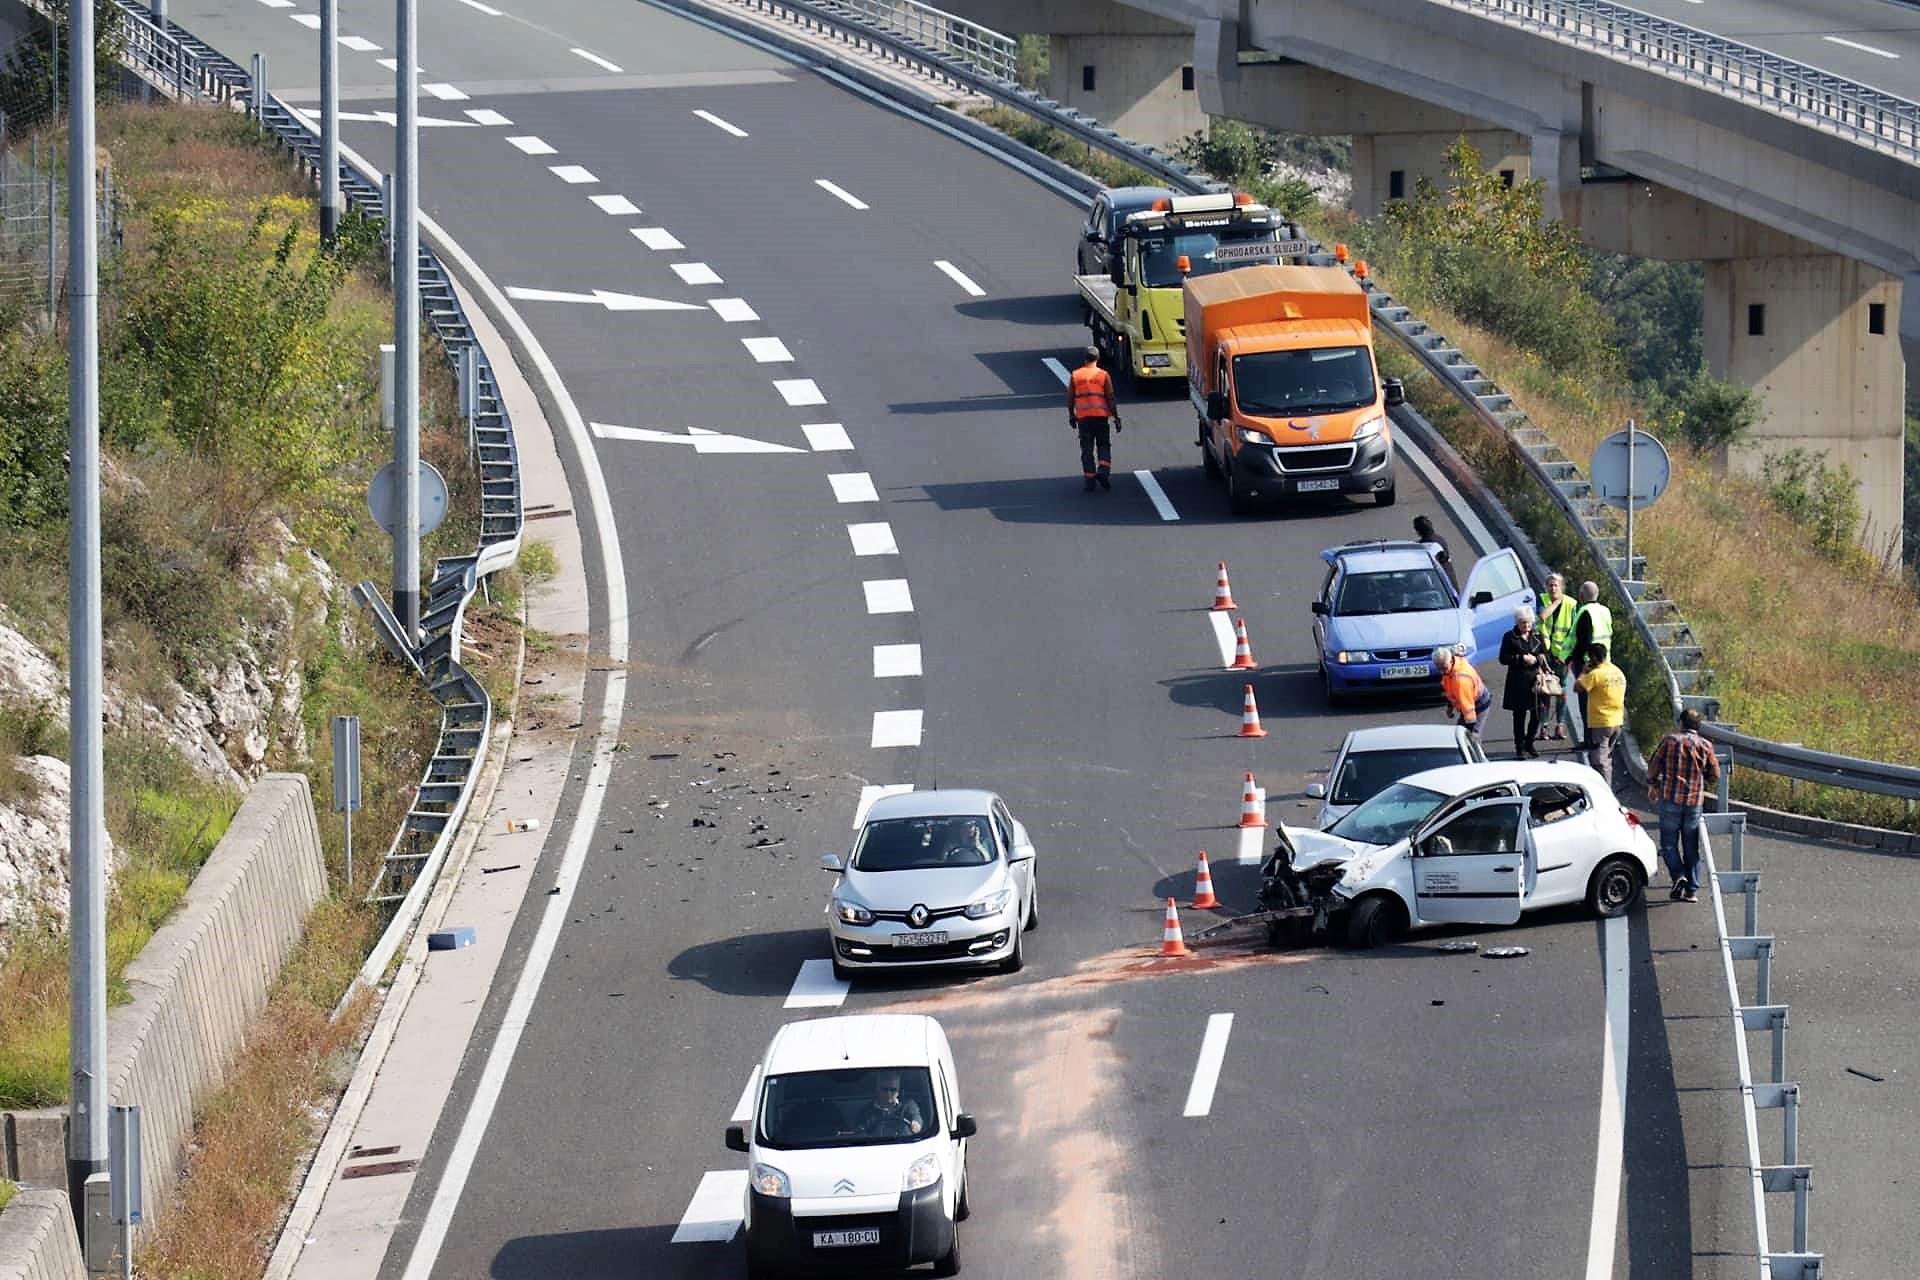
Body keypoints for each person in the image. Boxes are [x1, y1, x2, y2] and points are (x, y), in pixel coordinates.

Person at [1647, 708, 1722, 902]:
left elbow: (1654, 764)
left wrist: (1653, 784)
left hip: (1671, 800)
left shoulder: (1669, 741)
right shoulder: (1706, 745)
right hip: (1694, 803)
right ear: (1698, 726)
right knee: (1691, 847)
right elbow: (1715, 775)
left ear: (1681, 723)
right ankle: (1691, 890)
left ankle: (1679, 875)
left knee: (1668, 844)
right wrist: (1703, 775)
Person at [1067, 345, 1120, 492]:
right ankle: (1103, 470)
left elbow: (1070, 398)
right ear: (1098, 358)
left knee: (1087, 449)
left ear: (1084, 359)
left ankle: (1089, 480)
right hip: (1101, 417)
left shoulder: (1076, 375)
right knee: (1103, 445)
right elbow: (1110, 398)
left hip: (1083, 419)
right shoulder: (1103, 375)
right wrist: (1116, 417)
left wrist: (1071, 415)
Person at [1497, 605, 1548, 758]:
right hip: (1518, 681)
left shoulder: (1537, 636)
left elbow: (1546, 655)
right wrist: (1521, 658)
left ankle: (1529, 742)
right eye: (1523, 623)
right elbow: (1503, 658)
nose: (1526, 626)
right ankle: (1519, 747)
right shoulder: (1509, 637)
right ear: (1517, 622)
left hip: (1536, 681)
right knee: (1519, 716)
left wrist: (1536, 659)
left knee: (1537, 713)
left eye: (1528, 622)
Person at [1574, 642, 1627, 790]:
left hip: (1601, 722)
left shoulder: (1595, 674)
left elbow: (1577, 687)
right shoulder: (1617, 671)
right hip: (1617, 720)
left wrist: (1584, 672)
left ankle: (1604, 791)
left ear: (1594, 658)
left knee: (1599, 761)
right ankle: (1605, 786)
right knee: (1607, 757)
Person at [1536, 572, 1577, 741]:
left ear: (1562, 587)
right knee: (1544, 690)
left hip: (1562, 655)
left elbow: (1573, 633)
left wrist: (1565, 656)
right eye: (1550, 585)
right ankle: (1543, 727)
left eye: (1556, 585)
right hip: (1545, 653)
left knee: (1562, 691)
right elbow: (1542, 617)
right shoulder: (1543, 599)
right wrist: (1556, 603)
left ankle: (1560, 725)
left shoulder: (1571, 604)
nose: (1553, 588)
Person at [1568, 581, 1613, 731]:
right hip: (1605, 662)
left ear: (1581, 596)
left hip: (1588, 664)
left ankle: (1589, 737)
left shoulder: (1585, 612)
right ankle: (1602, 734)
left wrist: (1573, 659)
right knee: (1601, 700)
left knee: (1586, 703)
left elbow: (1583, 641)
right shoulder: (1605, 611)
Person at [1433, 646, 1491, 742]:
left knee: (1471, 739)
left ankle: (1474, 749)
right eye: (1438, 668)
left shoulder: (1461, 680)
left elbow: (1469, 711)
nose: (1441, 671)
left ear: (1450, 661)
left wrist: (1470, 730)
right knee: (1461, 735)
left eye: (1444, 668)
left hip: (1479, 704)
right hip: (1469, 701)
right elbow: (1451, 690)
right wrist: (1450, 707)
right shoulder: (1451, 666)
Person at [855, 1072, 924, 1137]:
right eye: (885, 1089)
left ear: (898, 1091)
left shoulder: (908, 1105)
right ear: (878, 1089)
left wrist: (916, 1124)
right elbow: (860, 1132)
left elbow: (916, 1117)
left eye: (893, 1090)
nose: (888, 1093)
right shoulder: (866, 1111)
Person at [1412, 515, 1455, 587]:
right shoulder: (1440, 539)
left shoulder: (1424, 547)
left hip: (1440, 584)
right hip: (1450, 581)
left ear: (1418, 531)